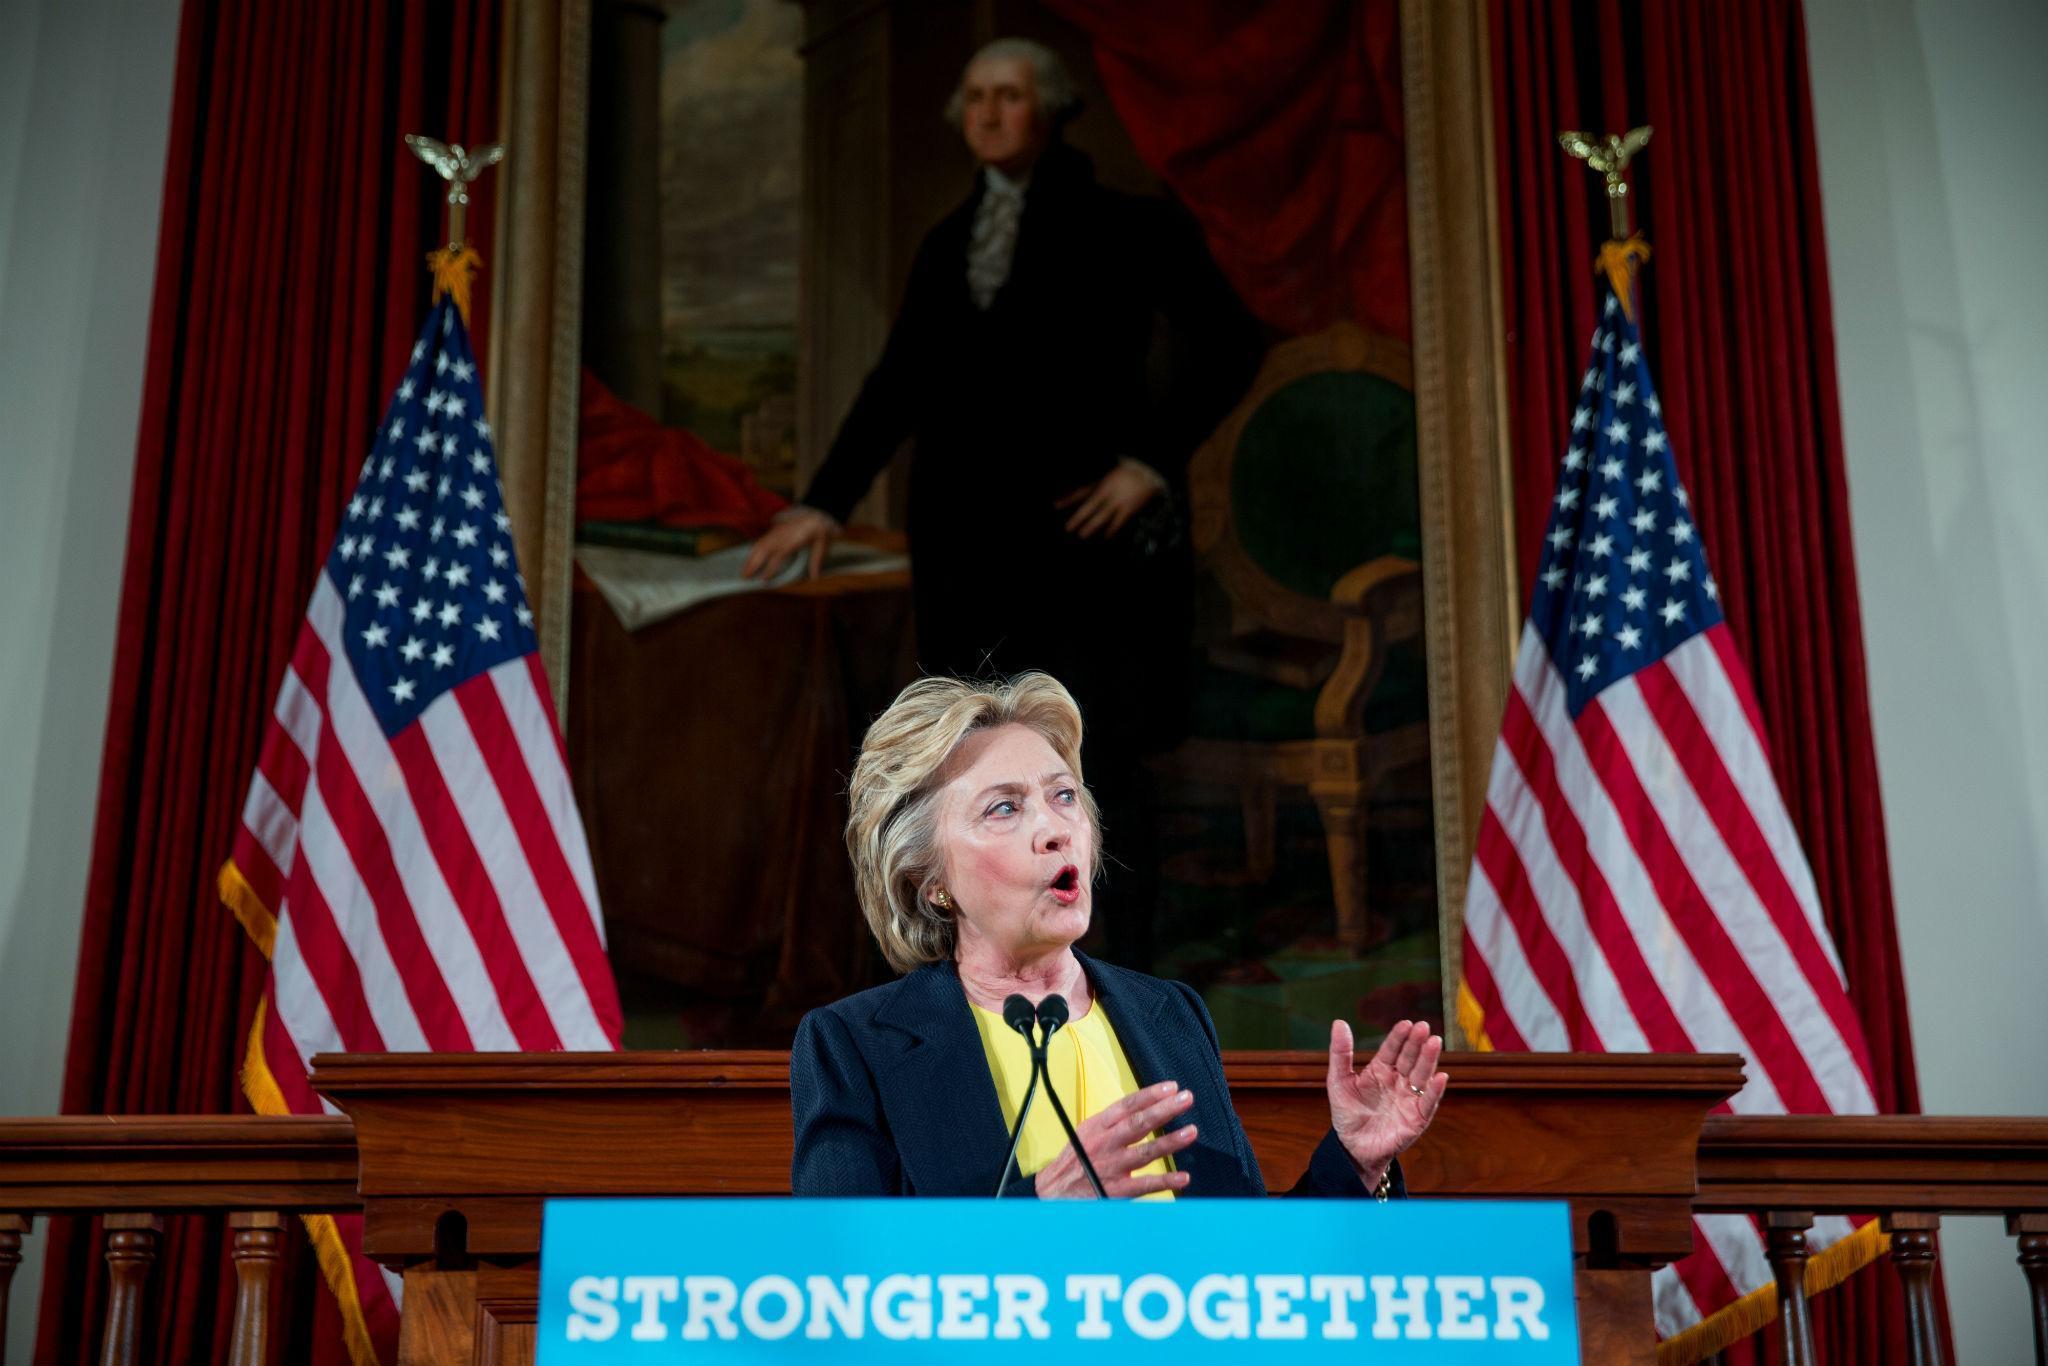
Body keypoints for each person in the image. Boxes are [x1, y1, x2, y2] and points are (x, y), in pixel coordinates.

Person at [741, 39, 1262, 967]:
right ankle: (997, 976)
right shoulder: (949, 242)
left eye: (1009, 95)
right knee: (973, 771)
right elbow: (894, 386)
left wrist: (1149, 461)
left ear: (1050, 110)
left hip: (1080, 554)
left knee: (1088, 775)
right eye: (974, 96)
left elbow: (1229, 341)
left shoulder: (1124, 224)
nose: (986, 113)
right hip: (967, 557)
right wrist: (822, 502)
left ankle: (1117, 985)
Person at [789, 673, 1446, 1198]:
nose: (1054, 828)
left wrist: (1355, 1164)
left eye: (1064, 796)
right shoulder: (855, 1046)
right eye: (1005, 808)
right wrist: (1044, 1211)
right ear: (930, 879)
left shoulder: (1171, 1016)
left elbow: (1247, 1277)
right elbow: (844, 1285)